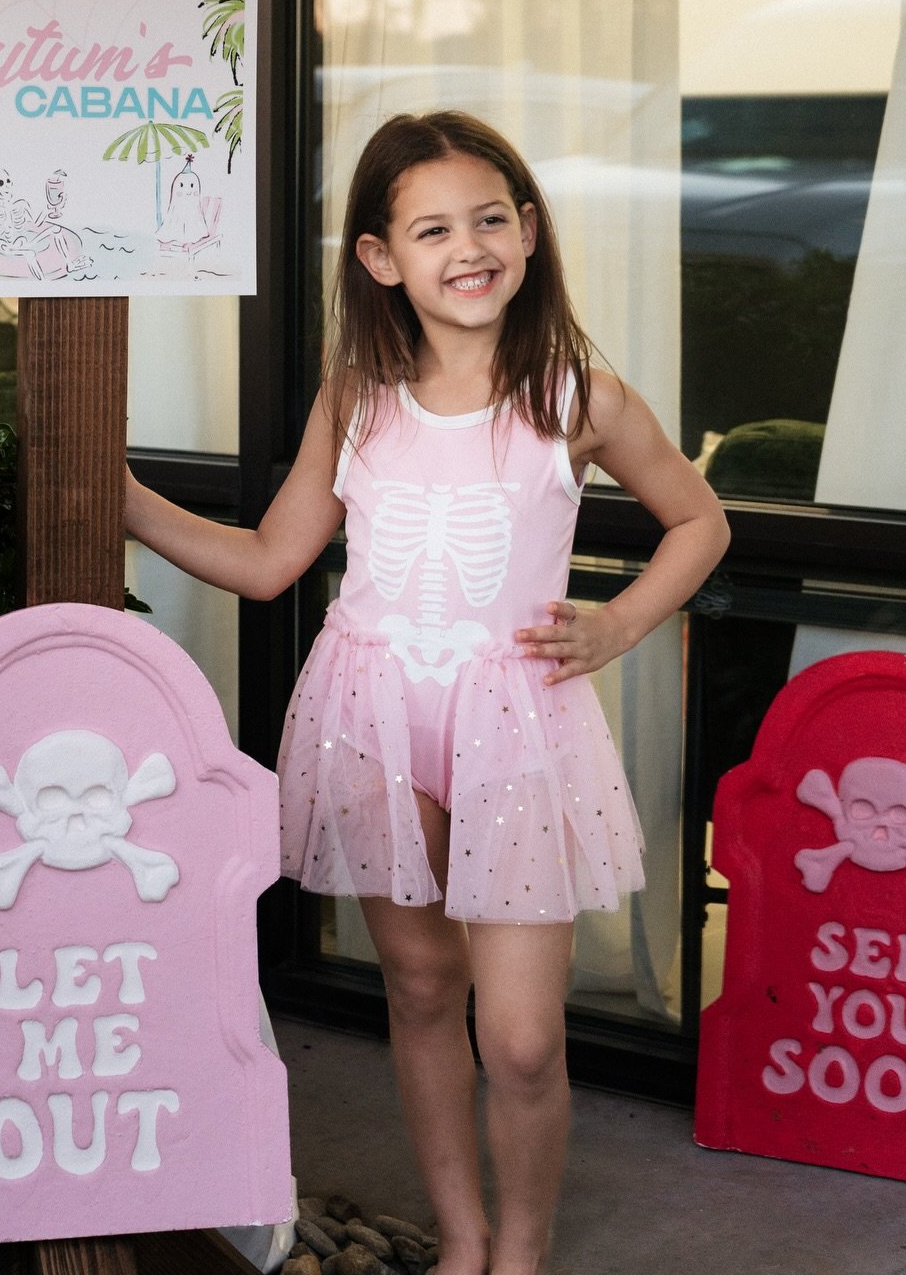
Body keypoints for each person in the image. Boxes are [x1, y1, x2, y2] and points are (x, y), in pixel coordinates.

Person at [124, 111, 730, 1275]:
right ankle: (462, 1240)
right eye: (434, 226)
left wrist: (617, 622)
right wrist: (130, 499)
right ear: (380, 258)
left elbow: (700, 521)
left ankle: (524, 1251)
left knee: (519, 1039)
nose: (471, 247)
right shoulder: (358, 398)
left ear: (531, 230)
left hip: (518, 730)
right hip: (373, 721)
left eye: (491, 218)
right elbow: (268, 561)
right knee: (416, 985)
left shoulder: (576, 396)